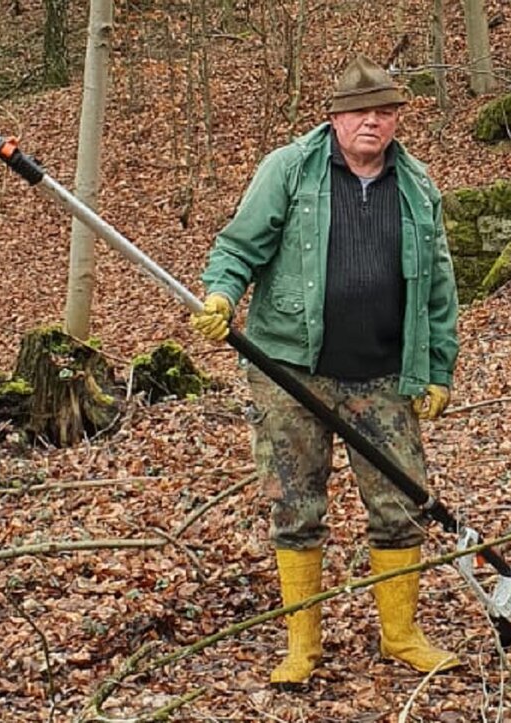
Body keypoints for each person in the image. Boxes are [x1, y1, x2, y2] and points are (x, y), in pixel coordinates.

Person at [190, 55, 460, 688]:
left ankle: (400, 635)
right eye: (359, 111)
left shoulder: (419, 187)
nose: (372, 121)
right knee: (294, 504)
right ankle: (301, 645)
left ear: (397, 118)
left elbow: (441, 289)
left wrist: (439, 369)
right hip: (290, 370)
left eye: (385, 111)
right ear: (335, 118)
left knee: (400, 504)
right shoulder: (289, 170)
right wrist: (221, 295)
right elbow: (238, 247)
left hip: (386, 375)